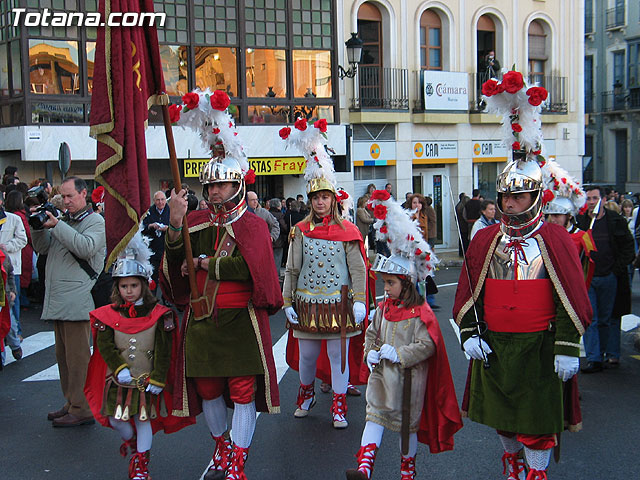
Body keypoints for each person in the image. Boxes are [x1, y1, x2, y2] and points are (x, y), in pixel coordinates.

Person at [454, 73, 592, 479]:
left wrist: (567, 346)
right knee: (504, 421)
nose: (511, 203)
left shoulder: (556, 239)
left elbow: (571, 295)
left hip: (539, 348)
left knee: (536, 426)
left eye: (520, 196)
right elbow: (468, 294)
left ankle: (535, 473)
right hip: (494, 345)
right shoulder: (483, 241)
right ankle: (511, 466)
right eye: (505, 197)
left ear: (536, 197)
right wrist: (468, 334)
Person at [160, 89, 282, 480]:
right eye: (210, 187)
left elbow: (254, 271)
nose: (214, 192)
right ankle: (222, 446)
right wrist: (176, 225)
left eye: (222, 186)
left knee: (243, 390)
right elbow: (173, 265)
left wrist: (207, 264)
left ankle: (239, 459)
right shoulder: (194, 221)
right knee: (209, 390)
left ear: (237, 186)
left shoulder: (254, 225)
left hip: (239, 321)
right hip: (201, 321)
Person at [346, 193, 461, 480]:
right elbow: (371, 334)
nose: (385, 288)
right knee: (374, 416)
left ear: (406, 283)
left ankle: (407, 468)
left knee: (407, 427)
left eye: (390, 283)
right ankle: (365, 466)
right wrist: (369, 352)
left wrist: (401, 354)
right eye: (384, 282)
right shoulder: (383, 308)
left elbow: (427, 344)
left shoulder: (421, 313)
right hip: (382, 376)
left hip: (411, 381)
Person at [281, 119, 368, 430]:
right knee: (306, 356)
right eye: (316, 197)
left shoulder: (348, 231)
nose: (320, 202)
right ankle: (306, 394)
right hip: (306, 302)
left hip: (339, 303)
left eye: (325, 197)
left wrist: (360, 302)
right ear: (310, 199)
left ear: (334, 199)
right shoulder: (300, 230)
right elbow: (292, 268)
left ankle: (339, 403)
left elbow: (358, 269)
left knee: (337, 356)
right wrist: (286, 301)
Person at [84, 233, 193, 480]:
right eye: (124, 286)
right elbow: (105, 346)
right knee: (117, 421)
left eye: (133, 286)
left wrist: (158, 378)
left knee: (143, 419)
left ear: (144, 285)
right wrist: (118, 367)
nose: (129, 291)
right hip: (118, 382)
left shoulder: (161, 315)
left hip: (146, 382)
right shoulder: (107, 315)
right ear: (117, 287)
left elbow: (165, 351)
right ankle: (131, 442)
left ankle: (141, 464)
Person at [32, 177, 106, 427]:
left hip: (76, 300)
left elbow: (86, 248)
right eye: (62, 197)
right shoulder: (64, 221)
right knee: (63, 358)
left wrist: (58, 226)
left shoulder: (95, 221)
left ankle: (83, 408)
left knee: (78, 360)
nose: (65, 202)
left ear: (83, 194)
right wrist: (39, 225)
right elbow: (42, 248)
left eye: (69, 196)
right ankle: (72, 401)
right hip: (60, 300)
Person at [577, 186, 634, 372]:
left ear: (602, 199)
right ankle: (594, 358)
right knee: (590, 318)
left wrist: (616, 269)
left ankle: (611, 353)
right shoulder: (583, 221)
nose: (591, 202)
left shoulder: (615, 220)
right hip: (589, 277)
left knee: (609, 317)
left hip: (610, 275)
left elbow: (627, 248)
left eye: (594, 198)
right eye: (589, 199)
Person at [0, 189, 27, 359]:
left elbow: (22, 240)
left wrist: (6, 247)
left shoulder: (13, 219)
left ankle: (15, 338)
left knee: (11, 305)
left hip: (9, 266)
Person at [141, 191, 170, 287]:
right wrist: (150, 226)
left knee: (167, 276)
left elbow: (179, 228)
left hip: (167, 249)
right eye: (158, 200)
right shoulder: (149, 212)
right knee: (152, 276)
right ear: (154, 201)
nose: (160, 202)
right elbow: (141, 228)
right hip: (152, 250)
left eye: (162, 200)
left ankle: (167, 299)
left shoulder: (171, 211)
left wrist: (168, 229)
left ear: (166, 200)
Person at [268, 198, 287, 274]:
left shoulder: (267, 213)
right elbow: (283, 227)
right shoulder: (279, 215)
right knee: (277, 261)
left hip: (268, 240)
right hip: (278, 241)